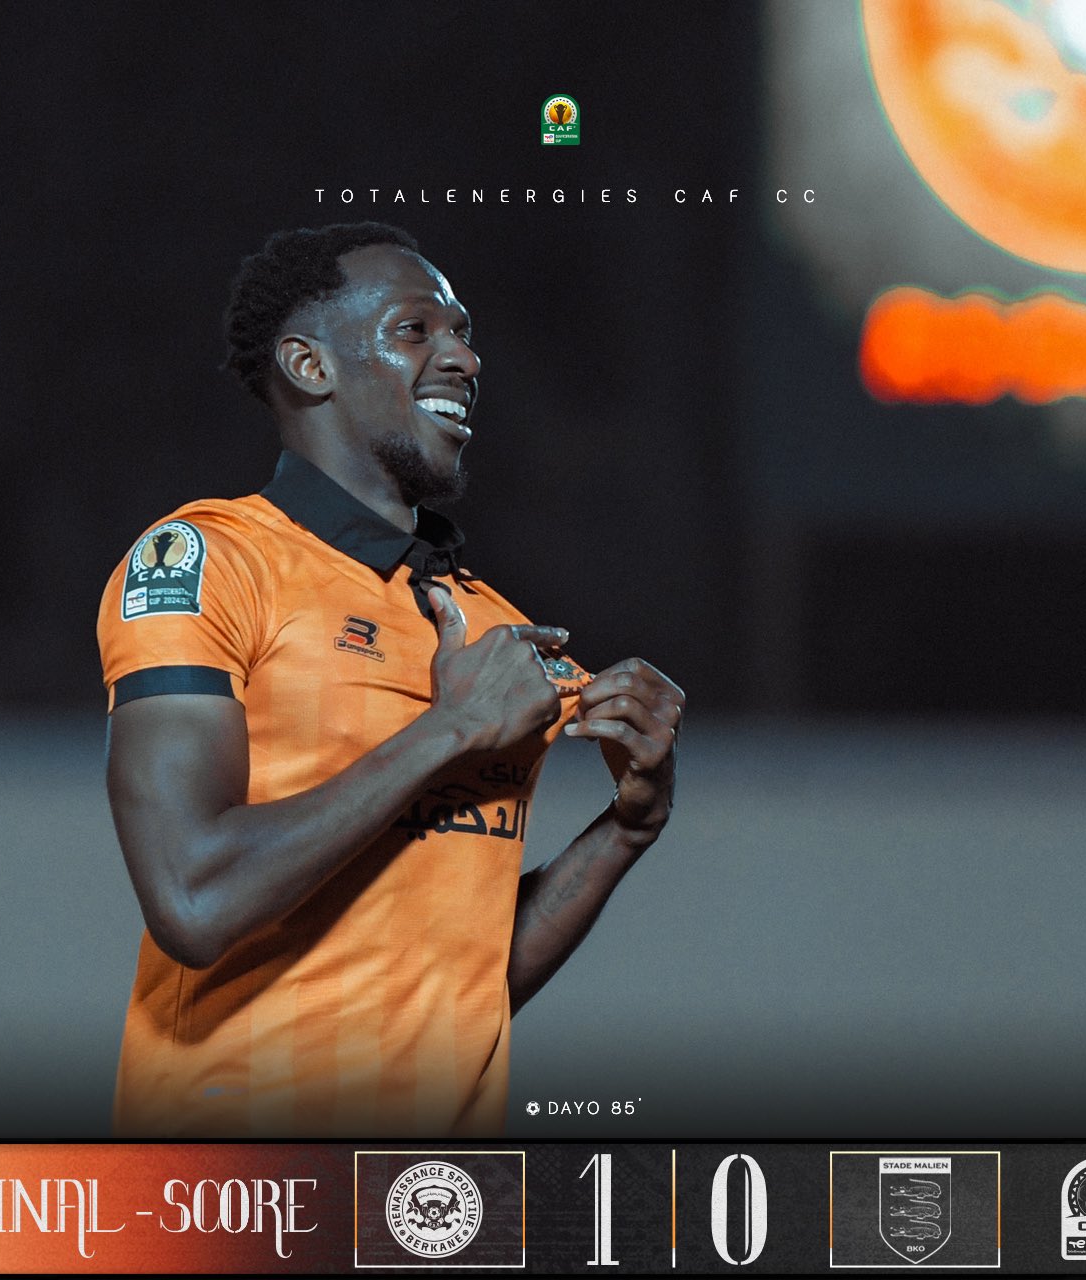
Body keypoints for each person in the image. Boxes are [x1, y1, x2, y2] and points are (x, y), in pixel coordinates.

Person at [96, 221, 684, 1138]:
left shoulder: (493, 630)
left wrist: (625, 831)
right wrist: (448, 732)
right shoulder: (209, 563)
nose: (465, 358)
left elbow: (462, 982)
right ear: (310, 365)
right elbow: (193, 901)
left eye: (464, 334)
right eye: (417, 330)